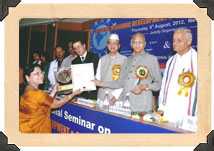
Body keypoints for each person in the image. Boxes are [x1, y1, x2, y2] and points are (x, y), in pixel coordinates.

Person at [94, 33, 162, 113]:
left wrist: (145, 86)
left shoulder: (151, 59)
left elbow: (159, 84)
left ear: (144, 44)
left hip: (143, 107)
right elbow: (119, 83)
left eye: (140, 42)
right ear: (131, 44)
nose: (137, 45)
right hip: (126, 106)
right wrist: (101, 84)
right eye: (135, 42)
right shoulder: (126, 61)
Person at [19, 64, 82, 133]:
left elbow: (45, 102)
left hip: (26, 127)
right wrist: (73, 94)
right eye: (37, 73)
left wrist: (54, 91)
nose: (41, 75)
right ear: (27, 77)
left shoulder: (27, 89)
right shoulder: (37, 93)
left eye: (41, 73)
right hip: (35, 130)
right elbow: (57, 104)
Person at [157, 28, 197, 131]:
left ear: (189, 41)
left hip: (188, 113)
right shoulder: (170, 61)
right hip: (170, 111)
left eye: (179, 40)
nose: (175, 43)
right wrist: (161, 106)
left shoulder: (198, 60)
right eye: (174, 40)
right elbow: (164, 86)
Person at [95, 33, 126, 105]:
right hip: (101, 97)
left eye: (115, 43)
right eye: (110, 43)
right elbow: (98, 78)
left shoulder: (125, 60)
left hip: (116, 99)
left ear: (119, 46)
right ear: (107, 45)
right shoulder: (102, 59)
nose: (112, 45)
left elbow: (124, 83)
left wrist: (115, 97)